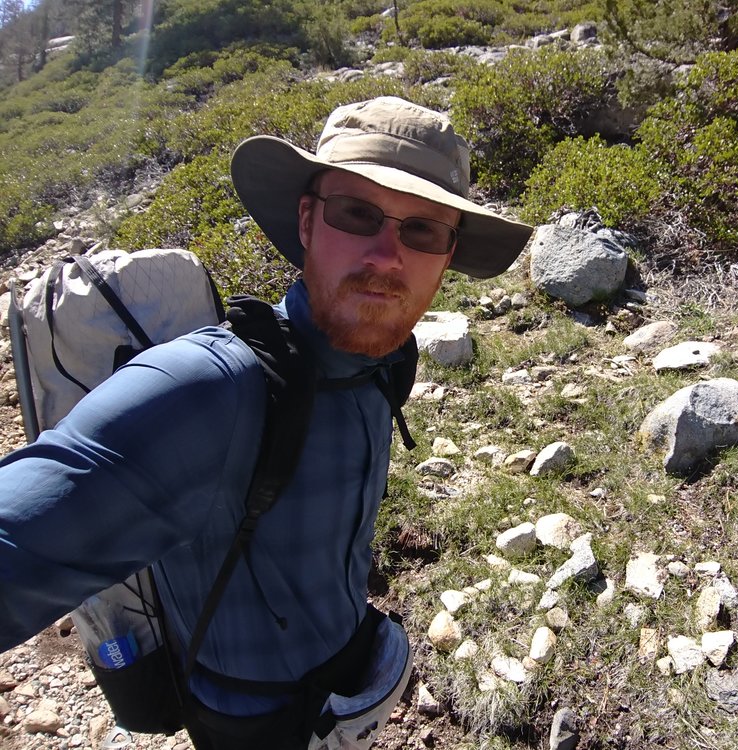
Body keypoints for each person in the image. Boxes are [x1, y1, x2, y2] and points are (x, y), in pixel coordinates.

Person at [0, 96, 533, 748]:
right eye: (357, 213)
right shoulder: (208, 392)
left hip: (343, 681)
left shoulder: (387, 357)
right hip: (250, 723)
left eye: (422, 231)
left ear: (448, 255)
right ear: (307, 220)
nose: (388, 256)